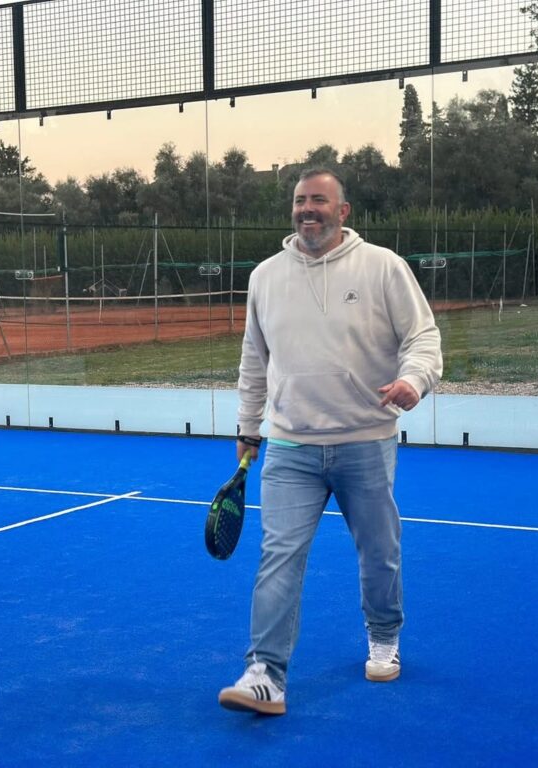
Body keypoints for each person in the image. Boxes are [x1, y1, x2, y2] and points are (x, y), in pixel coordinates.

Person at [218, 169, 443, 716]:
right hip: (289, 447)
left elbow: (423, 338)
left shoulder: (383, 266)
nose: (307, 209)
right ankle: (264, 673)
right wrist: (249, 427)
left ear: (343, 211)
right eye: (300, 201)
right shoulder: (265, 276)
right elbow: (254, 360)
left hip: (365, 441)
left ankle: (384, 636)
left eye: (319, 199)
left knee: (380, 553)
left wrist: (414, 380)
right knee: (279, 557)